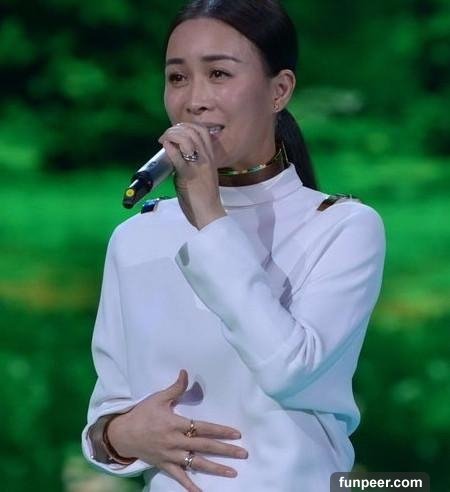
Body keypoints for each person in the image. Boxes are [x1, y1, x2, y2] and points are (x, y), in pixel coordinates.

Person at [81, 1, 386, 491]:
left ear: (279, 90)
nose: (195, 100)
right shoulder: (136, 236)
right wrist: (119, 436)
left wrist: (207, 213)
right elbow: (107, 414)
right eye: (177, 78)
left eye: (219, 74)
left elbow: (289, 370)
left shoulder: (343, 227)